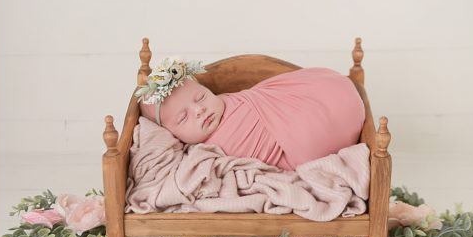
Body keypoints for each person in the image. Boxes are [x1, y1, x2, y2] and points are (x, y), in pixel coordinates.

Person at [135, 57, 366, 171]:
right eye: (183, 118)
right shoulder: (205, 156)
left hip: (314, 103)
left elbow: (263, 101)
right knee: (308, 135)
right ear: (171, 134)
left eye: (201, 97)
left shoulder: (235, 102)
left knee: (329, 92)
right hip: (308, 139)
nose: (199, 111)